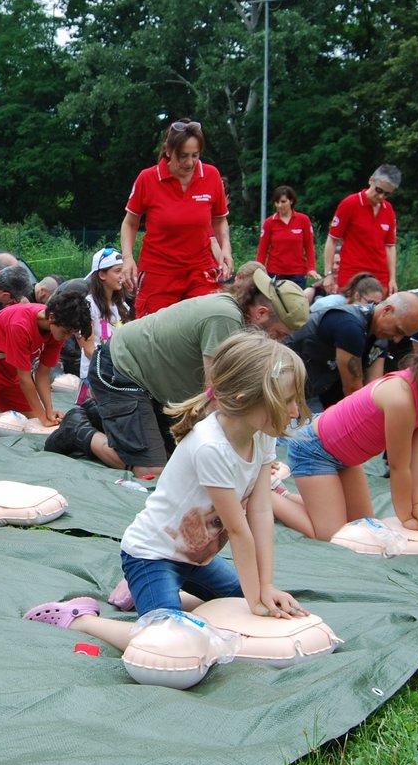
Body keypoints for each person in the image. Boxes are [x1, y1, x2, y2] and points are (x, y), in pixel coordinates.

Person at [22, 333, 308, 645]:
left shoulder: (260, 434)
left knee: (242, 604)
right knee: (168, 642)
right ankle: (81, 619)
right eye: (287, 401)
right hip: (150, 555)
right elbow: (239, 531)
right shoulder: (210, 446)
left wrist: (265, 587)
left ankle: (150, 594)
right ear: (244, 399)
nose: (295, 411)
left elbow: (261, 510)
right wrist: (258, 599)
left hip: (196, 560)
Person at [45, 265, 308, 479]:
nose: (278, 343)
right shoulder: (225, 319)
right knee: (152, 470)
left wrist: (259, 456)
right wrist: (243, 455)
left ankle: (100, 414)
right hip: (121, 371)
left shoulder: (238, 318)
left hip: (153, 387)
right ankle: (78, 428)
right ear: (261, 313)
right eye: (279, 334)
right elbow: (215, 397)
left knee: (177, 459)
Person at [280, 331, 418, 541]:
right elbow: (399, 466)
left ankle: (292, 498)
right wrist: (406, 516)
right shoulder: (400, 399)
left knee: (361, 526)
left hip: (345, 458)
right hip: (314, 450)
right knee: (332, 534)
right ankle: (268, 498)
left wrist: (417, 504)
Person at [120, 119, 233, 316]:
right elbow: (130, 223)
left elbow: (219, 219)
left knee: (208, 320)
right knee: (155, 334)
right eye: (183, 156)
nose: (190, 163)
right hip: (159, 272)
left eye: (195, 156)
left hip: (200, 270)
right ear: (168, 151)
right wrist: (128, 258)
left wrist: (226, 248)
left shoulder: (212, 175)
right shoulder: (148, 178)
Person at [0, 289, 92, 429]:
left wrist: (48, 411)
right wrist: (43, 419)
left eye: (70, 334)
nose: (66, 338)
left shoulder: (56, 328)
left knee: (31, 419)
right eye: (66, 332)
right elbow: (25, 379)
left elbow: (42, 374)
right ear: (52, 317)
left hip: (11, 369)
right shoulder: (20, 325)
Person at [284, 291, 418, 410]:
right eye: (398, 330)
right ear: (387, 311)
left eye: (403, 336)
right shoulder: (350, 326)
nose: (396, 339)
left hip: (308, 390)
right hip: (282, 383)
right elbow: (353, 390)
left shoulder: (379, 335)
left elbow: (373, 388)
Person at [322, 165, 399, 294]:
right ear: (371, 180)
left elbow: (390, 246)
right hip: (352, 275)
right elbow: (332, 239)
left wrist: (392, 279)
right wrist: (328, 274)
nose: (381, 196)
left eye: (387, 194)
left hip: (380, 276)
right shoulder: (350, 204)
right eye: (379, 190)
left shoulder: (389, 210)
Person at [77, 247, 135, 399]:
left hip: (118, 373)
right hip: (95, 374)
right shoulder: (88, 305)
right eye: (117, 271)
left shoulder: (122, 306)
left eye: (123, 270)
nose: (122, 276)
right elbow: (88, 349)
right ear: (102, 274)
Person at [256, 185, 319, 289]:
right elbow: (262, 250)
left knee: (297, 303)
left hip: (298, 273)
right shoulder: (269, 223)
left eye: (283, 201)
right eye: (277, 202)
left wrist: (311, 268)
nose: (280, 205)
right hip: (275, 272)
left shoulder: (303, 220)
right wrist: (258, 270)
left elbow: (309, 247)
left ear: (291, 201)